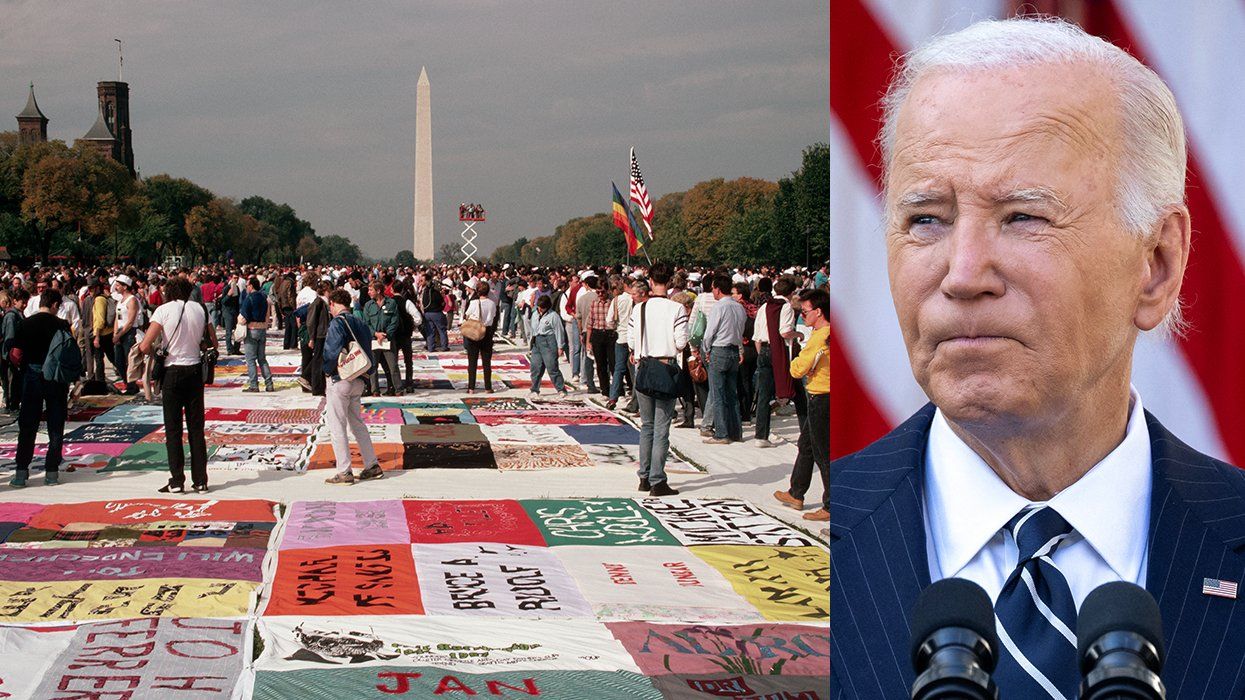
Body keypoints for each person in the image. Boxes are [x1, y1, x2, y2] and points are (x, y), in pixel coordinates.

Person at [828, 18, 1245, 699]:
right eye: (926, 219)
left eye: (1023, 217)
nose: (963, 274)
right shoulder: (830, 525)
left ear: (1156, 264)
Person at [140, 277, 215, 494]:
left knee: (173, 429)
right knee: (196, 428)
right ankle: (200, 480)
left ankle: (177, 480)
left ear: (169, 292)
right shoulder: (200, 310)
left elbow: (145, 345)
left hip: (172, 371)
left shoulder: (163, 310)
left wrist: (158, 353)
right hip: (194, 371)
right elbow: (213, 342)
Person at [628, 264, 688, 497]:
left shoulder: (640, 308)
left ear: (650, 282)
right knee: (661, 428)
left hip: (644, 367)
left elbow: (631, 341)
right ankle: (657, 480)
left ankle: (644, 476)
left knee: (647, 426)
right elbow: (681, 342)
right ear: (670, 282)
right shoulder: (677, 308)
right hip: (665, 367)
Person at [774, 288, 828, 522]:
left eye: (804, 312)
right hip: (820, 395)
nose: (802, 316)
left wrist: (797, 359)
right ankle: (796, 492)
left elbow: (797, 369)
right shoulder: (826, 334)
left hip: (822, 397)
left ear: (819, 312)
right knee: (806, 446)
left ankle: (831, 504)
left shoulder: (821, 336)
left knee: (822, 452)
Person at [9, 289, 72, 487]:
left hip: (32, 374)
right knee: (55, 424)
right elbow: (69, 352)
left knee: (28, 424)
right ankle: (52, 472)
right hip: (56, 377)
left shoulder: (26, 323)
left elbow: (15, 354)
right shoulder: (62, 324)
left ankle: (21, 472)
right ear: (55, 305)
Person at [321, 288, 382, 485]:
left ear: (333, 303)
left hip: (341, 378)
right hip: (359, 377)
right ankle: (372, 465)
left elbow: (331, 351)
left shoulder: (337, 323)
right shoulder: (360, 322)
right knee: (357, 424)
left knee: (337, 425)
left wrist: (327, 370)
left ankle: (344, 471)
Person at [699, 274, 746, 444]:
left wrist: (706, 349)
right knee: (732, 394)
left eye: (713, 288)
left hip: (719, 349)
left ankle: (721, 433)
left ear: (718, 289)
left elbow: (709, 333)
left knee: (717, 394)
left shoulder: (719, 307)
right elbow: (740, 331)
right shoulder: (739, 307)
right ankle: (735, 432)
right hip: (733, 350)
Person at [753, 277, 798, 447]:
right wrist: (798, 334)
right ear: (791, 293)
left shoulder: (764, 307)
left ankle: (761, 435)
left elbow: (757, 336)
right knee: (790, 389)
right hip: (778, 350)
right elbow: (784, 332)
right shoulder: (786, 307)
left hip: (763, 349)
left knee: (763, 395)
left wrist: (762, 354)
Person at [363, 281, 400, 396]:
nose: (369, 292)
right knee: (373, 366)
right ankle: (375, 390)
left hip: (387, 339)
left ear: (378, 291)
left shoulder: (391, 303)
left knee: (393, 366)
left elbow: (394, 321)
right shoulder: (368, 305)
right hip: (374, 340)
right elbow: (366, 323)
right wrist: (375, 334)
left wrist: (385, 335)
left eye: (371, 290)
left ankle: (398, 389)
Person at [527, 294, 567, 398]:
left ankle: (561, 389)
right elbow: (532, 329)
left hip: (549, 341)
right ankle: (534, 389)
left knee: (552, 367)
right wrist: (530, 344)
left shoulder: (553, 316)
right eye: (539, 307)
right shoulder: (535, 314)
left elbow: (559, 331)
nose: (540, 309)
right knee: (535, 367)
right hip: (537, 341)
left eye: (542, 307)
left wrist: (560, 347)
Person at [240, 276, 274, 392]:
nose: (246, 288)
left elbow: (244, 316)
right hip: (262, 329)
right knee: (262, 359)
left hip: (252, 329)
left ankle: (254, 385)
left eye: (247, 286)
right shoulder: (264, 298)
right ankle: (269, 384)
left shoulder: (249, 298)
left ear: (251, 286)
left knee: (250, 359)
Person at [462, 281, 497, 393]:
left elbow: (466, 314)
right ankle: (488, 387)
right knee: (486, 362)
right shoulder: (492, 303)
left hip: (474, 332)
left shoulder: (474, 303)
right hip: (487, 332)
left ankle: (471, 388)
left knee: (472, 362)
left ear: (477, 291)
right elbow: (493, 316)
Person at [606, 276, 635, 411]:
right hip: (634, 338)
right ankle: (636, 398)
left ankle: (613, 397)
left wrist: (616, 327)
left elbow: (609, 320)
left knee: (618, 369)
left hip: (621, 336)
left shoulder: (617, 300)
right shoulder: (634, 299)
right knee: (635, 371)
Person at [586, 276, 615, 399]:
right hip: (597, 334)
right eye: (598, 292)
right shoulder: (594, 303)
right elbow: (590, 323)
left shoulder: (612, 302)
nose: (600, 294)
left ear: (607, 290)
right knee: (600, 364)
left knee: (613, 363)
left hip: (610, 334)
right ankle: (605, 390)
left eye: (602, 292)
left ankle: (617, 390)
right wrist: (588, 341)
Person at [300, 281, 331, 396]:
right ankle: (316, 386)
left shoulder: (324, 302)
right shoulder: (318, 302)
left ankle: (318, 385)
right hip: (319, 335)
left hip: (323, 334)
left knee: (320, 360)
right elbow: (311, 321)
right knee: (318, 361)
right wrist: (311, 337)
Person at [111, 275, 141, 394]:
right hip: (120, 332)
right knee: (118, 361)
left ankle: (131, 386)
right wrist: (115, 333)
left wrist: (118, 335)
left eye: (118, 285)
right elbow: (117, 318)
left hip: (129, 333)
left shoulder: (132, 300)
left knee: (129, 361)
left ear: (125, 286)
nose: (116, 287)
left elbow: (130, 322)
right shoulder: (120, 301)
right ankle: (127, 382)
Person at [1, 289, 26, 411]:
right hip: (11, 355)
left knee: (14, 381)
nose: (25, 305)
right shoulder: (12, 316)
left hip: (15, 354)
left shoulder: (19, 314)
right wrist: (12, 356)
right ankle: (11, 404)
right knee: (11, 381)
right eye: (22, 302)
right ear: (15, 301)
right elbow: (10, 338)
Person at [219, 273, 242, 355]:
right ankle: (229, 349)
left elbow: (238, 301)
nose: (236, 280)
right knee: (228, 332)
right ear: (231, 278)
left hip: (235, 311)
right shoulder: (226, 288)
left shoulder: (237, 288)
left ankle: (236, 349)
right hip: (227, 312)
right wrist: (228, 295)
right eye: (234, 278)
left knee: (237, 331)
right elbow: (222, 301)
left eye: (237, 278)